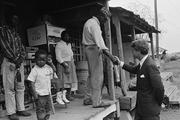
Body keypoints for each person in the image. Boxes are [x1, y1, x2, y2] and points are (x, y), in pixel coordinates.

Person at [82, 7, 119, 108]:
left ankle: (88, 98)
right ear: (101, 15)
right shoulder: (94, 25)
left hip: (88, 49)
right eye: (105, 18)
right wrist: (111, 57)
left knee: (91, 75)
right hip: (93, 49)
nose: (105, 21)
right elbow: (101, 45)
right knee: (98, 77)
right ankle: (97, 101)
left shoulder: (89, 22)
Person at [118, 39, 164, 120]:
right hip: (141, 109)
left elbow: (159, 88)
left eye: (133, 51)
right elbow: (133, 69)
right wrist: (120, 63)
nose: (132, 53)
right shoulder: (143, 62)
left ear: (138, 51)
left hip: (150, 111)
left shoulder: (150, 65)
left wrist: (158, 103)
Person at [0, 15, 31, 120]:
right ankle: (11, 112)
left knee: (20, 86)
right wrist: (15, 59)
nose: (16, 21)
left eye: (17, 19)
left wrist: (21, 59)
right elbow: (4, 47)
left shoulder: (16, 33)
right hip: (9, 62)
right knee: (9, 88)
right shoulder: (2, 30)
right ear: (8, 19)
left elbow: (22, 48)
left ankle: (21, 109)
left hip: (19, 63)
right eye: (13, 18)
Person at [27, 50, 56, 120]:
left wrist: (51, 63)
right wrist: (34, 94)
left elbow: (54, 70)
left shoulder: (48, 67)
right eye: (39, 60)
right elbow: (31, 82)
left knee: (48, 110)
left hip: (48, 93)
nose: (41, 61)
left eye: (43, 60)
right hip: (39, 95)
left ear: (46, 60)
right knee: (40, 110)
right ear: (35, 60)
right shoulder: (35, 70)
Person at [55, 30, 78, 103]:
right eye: (65, 36)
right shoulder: (59, 44)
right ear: (62, 36)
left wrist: (72, 64)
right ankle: (62, 97)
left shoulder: (69, 44)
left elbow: (71, 55)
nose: (67, 37)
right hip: (63, 64)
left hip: (70, 63)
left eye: (68, 36)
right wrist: (65, 65)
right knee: (63, 81)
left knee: (69, 80)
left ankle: (68, 95)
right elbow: (58, 57)